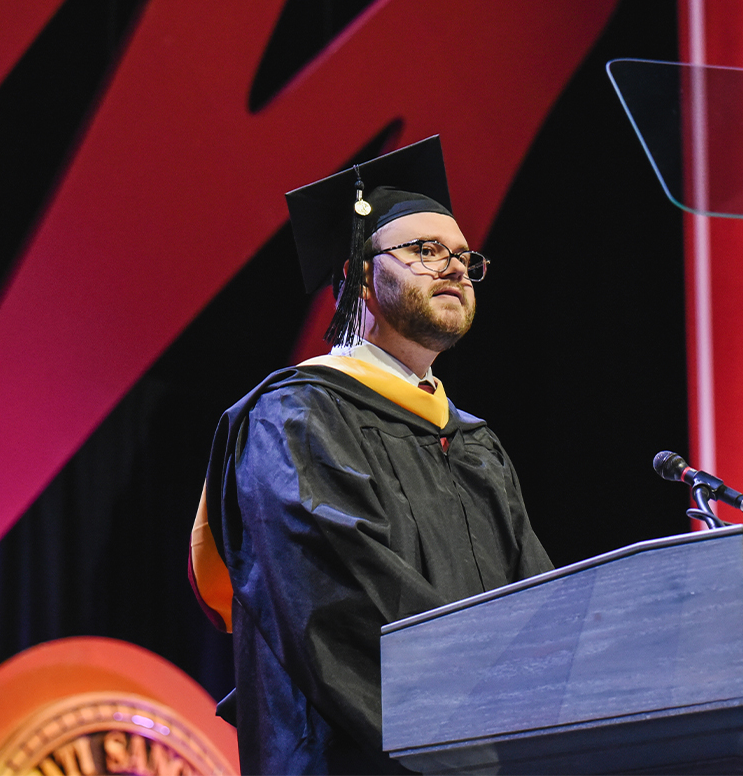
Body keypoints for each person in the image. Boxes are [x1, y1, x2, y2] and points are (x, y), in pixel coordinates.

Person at [189, 137, 553, 774]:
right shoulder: (297, 415)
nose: (456, 268)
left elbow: (537, 602)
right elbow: (338, 598)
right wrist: (476, 722)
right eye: (426, 251)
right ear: (360, 272)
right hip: (358, 753)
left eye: (465, 257)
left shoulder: (474, 442)